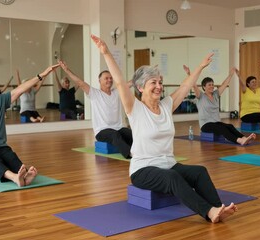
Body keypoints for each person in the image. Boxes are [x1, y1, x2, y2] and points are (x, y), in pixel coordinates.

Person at [91, 35, 237, 223]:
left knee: (199, 171)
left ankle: (218, 208)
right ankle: (209, 212)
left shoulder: (167, 105)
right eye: (154, 83)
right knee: (172, 178)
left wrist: (200, 67)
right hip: (143, 169)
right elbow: (119, 82)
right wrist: (106, 53)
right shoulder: (135, 108)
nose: (159, 86)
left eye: (160, 82)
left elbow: (185, 86)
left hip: (169, 163)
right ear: (141, 87)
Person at [58, 60, 133, 159]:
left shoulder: (116, 92)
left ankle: (145, 151)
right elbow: (80, 83)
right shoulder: (94, 93)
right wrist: (67, 70)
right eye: (106, 78)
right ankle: (131, 154)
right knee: (115, 135)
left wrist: (147, 74)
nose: (109, 80)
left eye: (111, 78)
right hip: (102, 131)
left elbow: (131, 83)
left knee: (132, 133)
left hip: (118, 128)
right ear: (100, 81)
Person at [183, 65, 256, 145]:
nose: (212, 86)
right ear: (204, 87)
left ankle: (244, 138)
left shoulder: (215, 94)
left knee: (230, 126)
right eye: (209, 85)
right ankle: (239, 140)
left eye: (212, 84)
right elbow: (194, 85)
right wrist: (189, 74)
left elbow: (224, 84)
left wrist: (231, 74)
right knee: (222, 129)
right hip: (206, 124)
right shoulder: (201, 96)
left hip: (216, 122)